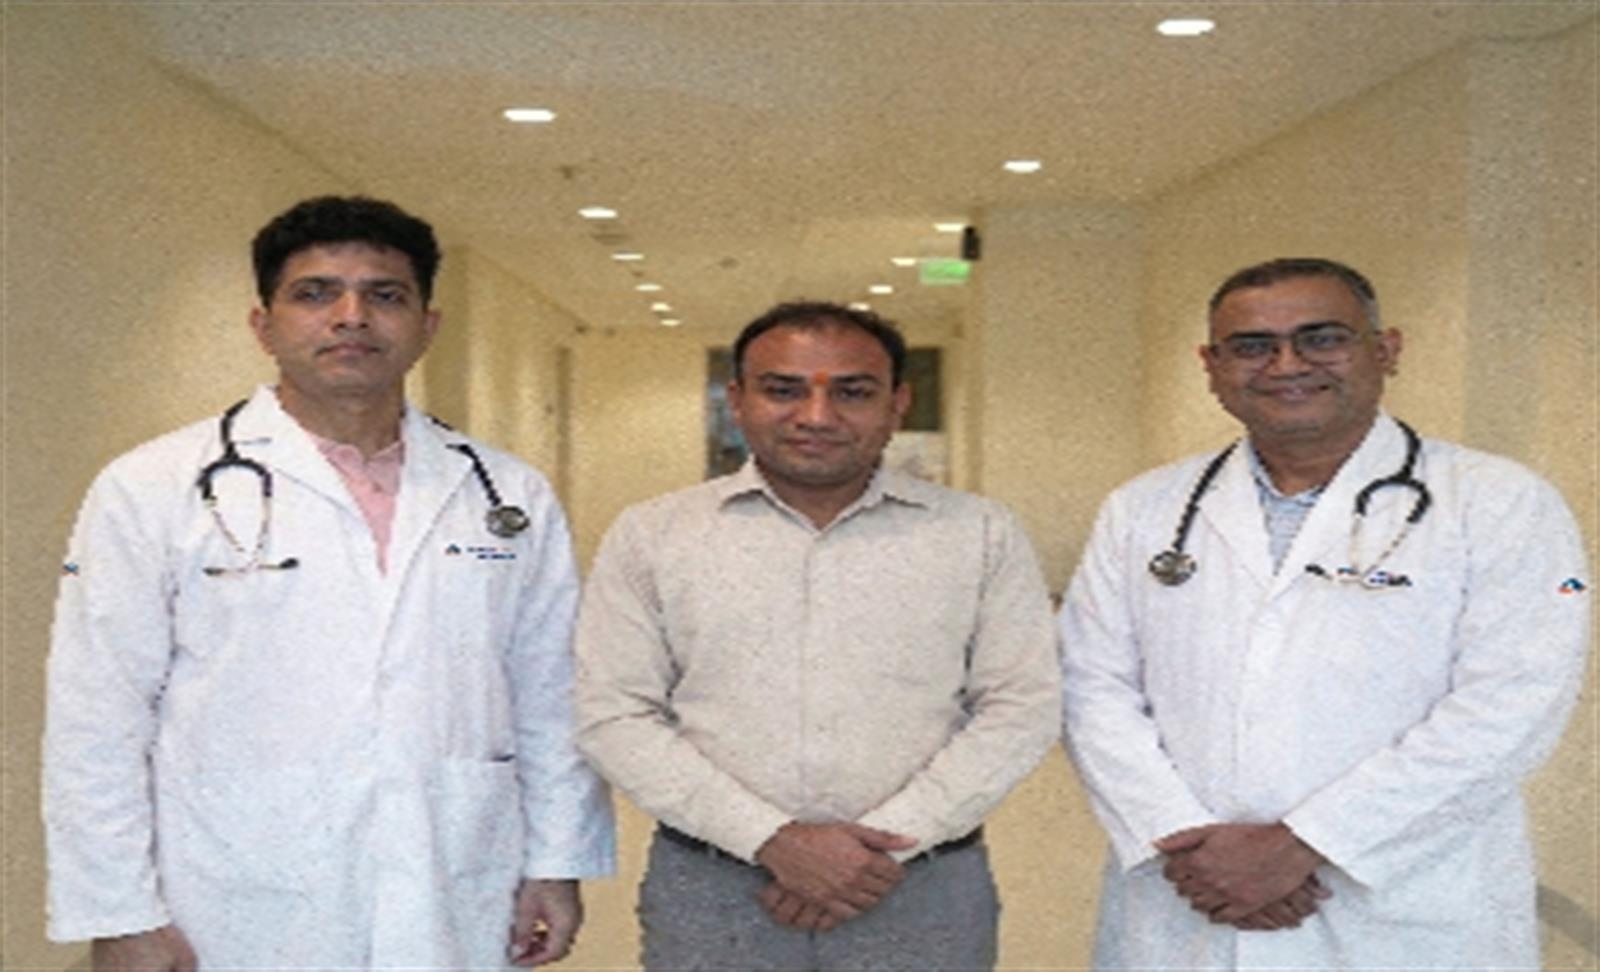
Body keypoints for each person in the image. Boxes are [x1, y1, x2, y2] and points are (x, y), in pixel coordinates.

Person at [43, 196, 615, 970]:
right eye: (315, 294)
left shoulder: (507, 495)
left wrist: (556, 860)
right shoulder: (153, 486)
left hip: (451, 873)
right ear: (263, 325)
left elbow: (550, 692)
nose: (352, 317)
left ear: (427, 326)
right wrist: (119, 912)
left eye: (385, 295)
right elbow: (97, 715)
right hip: (228, 890)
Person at [1059, 257, 1591, 967]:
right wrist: (1179, 835)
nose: (1287, 364)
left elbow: (1513, 702)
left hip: (1404, 899)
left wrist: (1309, 843)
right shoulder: (1143, 509)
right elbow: (1091, 686)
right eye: (1252, 346)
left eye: (1322, 338)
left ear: (1386, 350)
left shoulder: (1498, 501)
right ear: (1211, 367)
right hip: (1191, 888)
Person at [574, 301, 1060, 970]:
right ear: (737, 400)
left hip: (920, 885)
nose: (816, 416)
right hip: (715, 888)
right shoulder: (654, 535)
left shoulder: (978, 534)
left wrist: (879, 847)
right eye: (784, 390)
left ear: (898, 403)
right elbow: (613, 711)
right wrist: (770, 839)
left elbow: (1021, 705)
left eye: (853, 392)